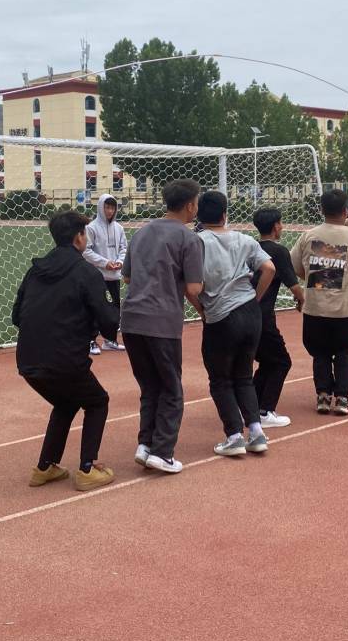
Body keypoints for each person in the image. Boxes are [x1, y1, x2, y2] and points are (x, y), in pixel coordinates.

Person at [12, 211, 120, 492]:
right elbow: (108, 322)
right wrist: (111, 315)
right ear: (79, 238)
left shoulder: (35, 271)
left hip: (27, 360)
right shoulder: (87, 272)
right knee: (97, 401)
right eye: (86, 234)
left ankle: (45, 467)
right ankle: (87, 469)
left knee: (66, 403)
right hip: (66, 359)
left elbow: (16, 316)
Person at [120, 178, 204, 474]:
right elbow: (194, 288)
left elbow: (127, 277)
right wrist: (205, 311)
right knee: (171, 388)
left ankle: (146, 444)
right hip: (162, 321)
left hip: (131, 319)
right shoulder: (189, 239)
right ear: (190, 205)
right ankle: (163, 451)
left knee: (150, 387)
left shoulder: (141, 232)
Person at [195, 191, 276, 457]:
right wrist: (256, 297)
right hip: (250, 312)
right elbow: (269, 268)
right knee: (243, 375)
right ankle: (256, 432)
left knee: (220, 379)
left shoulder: (198, 242)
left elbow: (190, 285)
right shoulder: (244, 239)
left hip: (221, 315)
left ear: (199, 215)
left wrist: (201, 308)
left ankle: (233, 435)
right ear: (224, 214)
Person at [290, 189, 348, 416]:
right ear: (345, 211)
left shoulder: (308, 236)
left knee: (319, 352)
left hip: (315, 308)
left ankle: (323, 395)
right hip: (346, 309)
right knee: (345, 352)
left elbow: (296, 268)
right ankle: (342, 397)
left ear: (322, 210)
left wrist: (316, 278)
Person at [252, 207, 305, 428]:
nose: (282, 227)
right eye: (281, 223)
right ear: (275, 226)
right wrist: (301, 299)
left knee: (267, 361)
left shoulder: (251, 247)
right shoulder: (278, 251)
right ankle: (265, 411)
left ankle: (251, 408)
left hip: (244, 314)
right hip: (263, 317)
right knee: (282, 361)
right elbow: (294, 285)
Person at [83, 193, 128, 354]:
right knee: (95, 308)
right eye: (107, 207)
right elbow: (86, 251)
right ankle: (91, 341)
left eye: (112, 208)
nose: (109, 211)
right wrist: (105, 263)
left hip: (114, 276)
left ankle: (110, 340)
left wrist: (120, 262)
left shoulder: (119, 228)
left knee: (113, 309)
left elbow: (124, 248)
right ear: (101, 208)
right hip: (97, 276)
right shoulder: (91, 228)